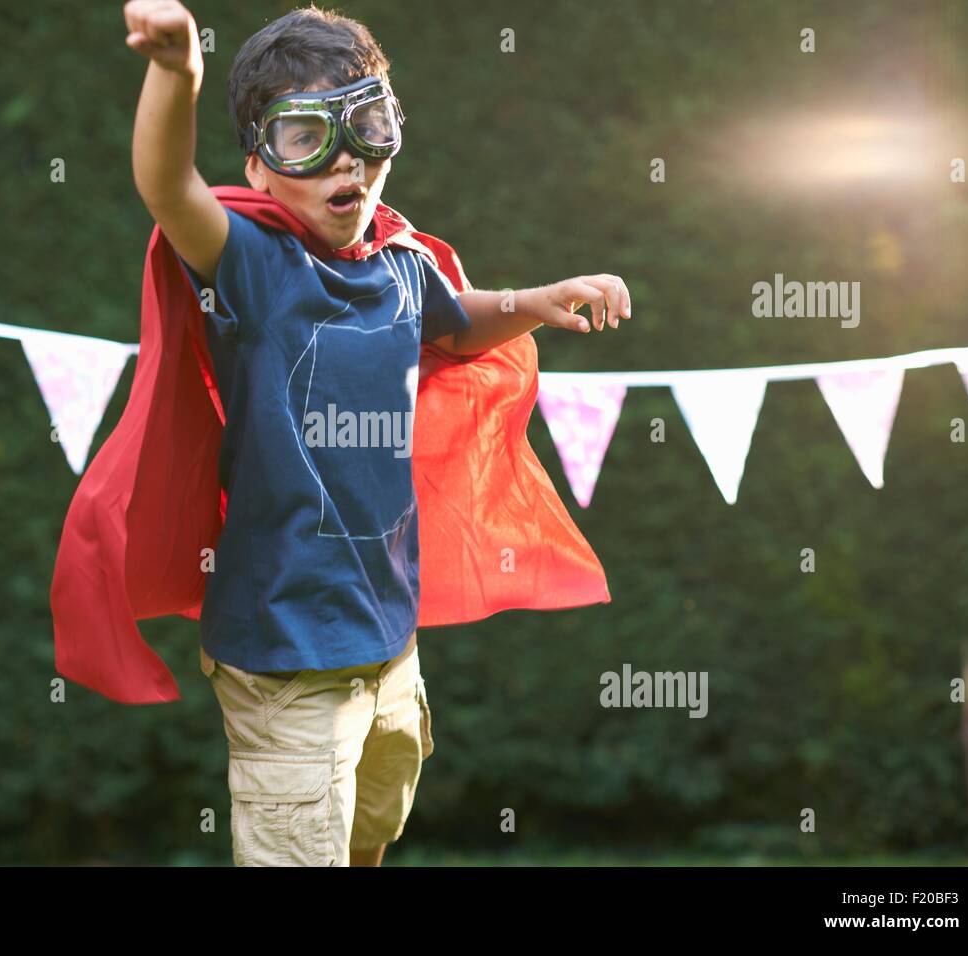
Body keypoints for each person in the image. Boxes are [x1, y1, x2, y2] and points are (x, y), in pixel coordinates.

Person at [116, 0, 630, 867]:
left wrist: (533, 302)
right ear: (258, 165)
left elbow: (450, 324)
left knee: (370, 834)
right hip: (284, 658)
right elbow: (168, 188)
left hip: (388, 644)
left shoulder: (399, 261)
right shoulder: (252, 265)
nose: (345, 157)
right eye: (303, 138)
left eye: (368, 123)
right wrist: (176, 74)